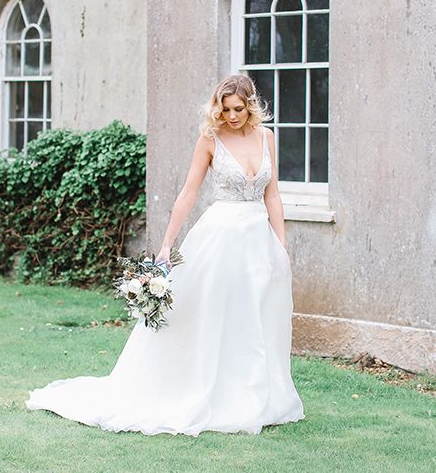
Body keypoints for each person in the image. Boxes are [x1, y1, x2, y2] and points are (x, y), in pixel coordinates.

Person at [25, 73, 305, 436]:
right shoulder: (210, 139)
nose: (232, 116)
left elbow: (273, 196)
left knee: (256, 316)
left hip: (258, 239)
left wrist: (280, 246)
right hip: (220, 237)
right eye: (225, 109)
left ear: (251, 105)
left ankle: (255, 397)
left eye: (238, 109)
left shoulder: (267, 138)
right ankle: (206, 393)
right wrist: (166, 245)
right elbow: (189, 192)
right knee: (210, 314)